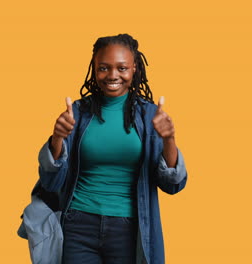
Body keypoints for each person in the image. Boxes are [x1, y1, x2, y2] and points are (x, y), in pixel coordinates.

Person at [37, 33, 188, 264]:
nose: (112, 75)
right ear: (94, 68)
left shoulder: (149, 116)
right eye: (104, 68)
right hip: (78, 224)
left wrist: (169, 139)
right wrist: (57, 137)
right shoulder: (77, 113)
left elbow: (173, 184)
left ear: (135, 68)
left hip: (128, 230)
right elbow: (51, 181)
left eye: (122, 68)